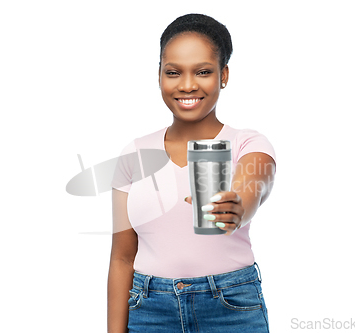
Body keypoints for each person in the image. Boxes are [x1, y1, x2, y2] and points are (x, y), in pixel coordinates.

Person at [107, 13, 276, 333]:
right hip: (148, 310)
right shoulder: (134, 154)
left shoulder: (247, 143)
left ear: (223, 75)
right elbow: (121, 259)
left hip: (231, 307)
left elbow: (257, 179)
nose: (187, 84)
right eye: (173, 72)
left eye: (203, 71)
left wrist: (237, 204)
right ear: (159, 76)